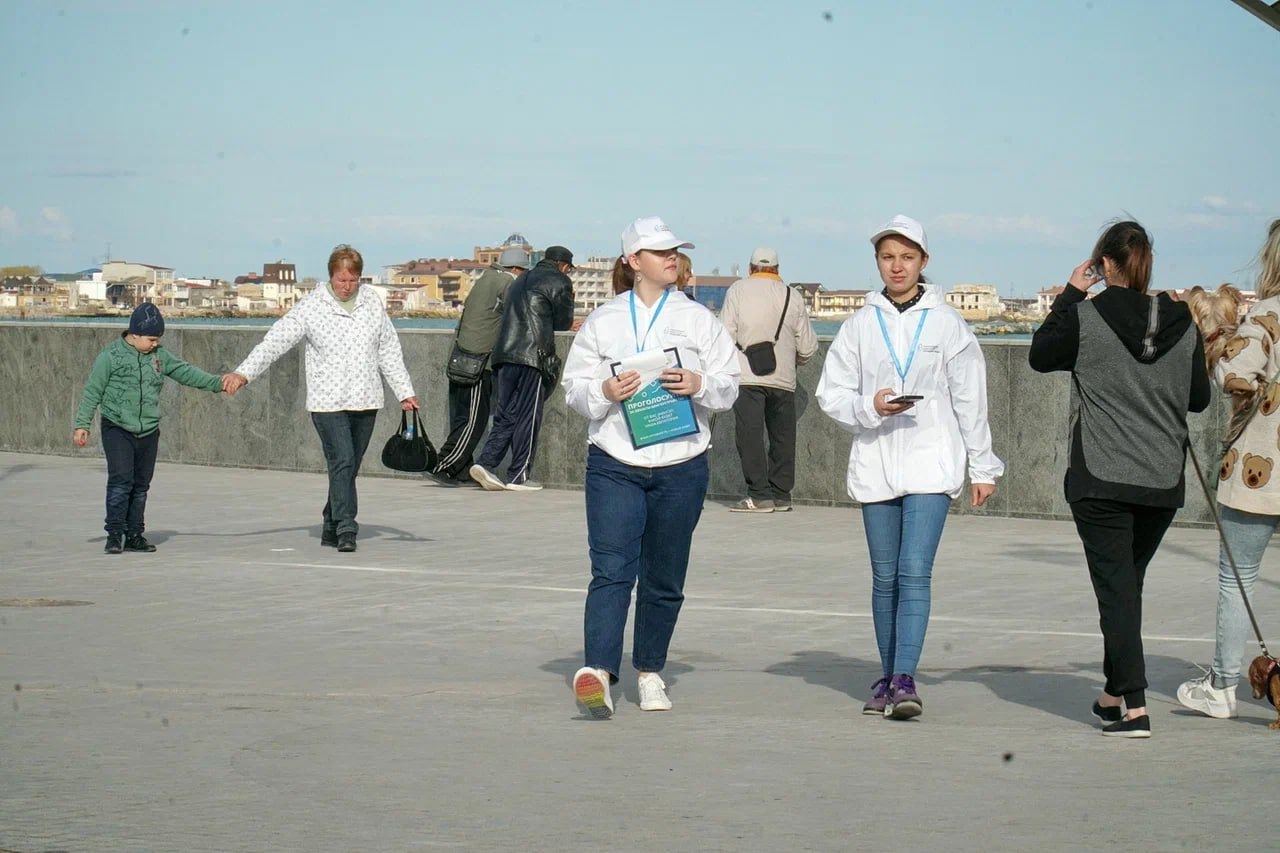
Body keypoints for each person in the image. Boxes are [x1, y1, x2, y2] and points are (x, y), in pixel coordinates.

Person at [816, 214, 1003, 721]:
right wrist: (870, 406)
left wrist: (983, 467)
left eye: (906, 257)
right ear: (877, 261)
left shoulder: (947, 324)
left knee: (914, 572)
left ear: (924, 261)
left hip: (931, 459)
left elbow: (971, 399)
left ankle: (904, 678)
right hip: (876, 460)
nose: (896, 266)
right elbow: (830, 393)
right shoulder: (859, 324)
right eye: (887, 257)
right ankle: (887, 675)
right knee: (884, 578)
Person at [1029, 219, 1210, 738]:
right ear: (1146, 265)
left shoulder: (1087, 317)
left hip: (1102, 477)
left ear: (1105, 264)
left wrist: (1071, 291)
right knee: (1126, 587)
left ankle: (1135, 707)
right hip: (1160, 479)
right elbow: (1198, 399)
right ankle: (1112, 694)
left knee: (1117, 592)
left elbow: (1041, 355)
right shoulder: (1182, 322)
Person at [561, 216, 740, 718]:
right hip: (615, 460)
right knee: (611, 569)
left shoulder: (700, 319)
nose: (672, 259)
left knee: (664, 576)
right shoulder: (604, 321)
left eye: (676, 252)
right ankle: (597, 671)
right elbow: (573, 388)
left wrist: (699, 384)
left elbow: (731, 383)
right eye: (660, 252)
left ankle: (650, 673)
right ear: (633, 261)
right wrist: (604, 390)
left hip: (682, 464)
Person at [224, 245, 419, 553]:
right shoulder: (312, 306)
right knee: (341, 460)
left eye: (353, 280)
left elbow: (388, 350)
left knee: (349, 466)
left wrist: (404, 392)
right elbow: (275, 341)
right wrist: (243, 374)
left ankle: (330, 521)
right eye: (341, 280)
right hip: (328, 403)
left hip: (366, 399)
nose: (347, 286)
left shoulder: (371, 302)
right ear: (331, 277)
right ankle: (346, 527)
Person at [1178, 219, 1280, 720]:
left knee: (1237, 577)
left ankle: (1221, 687)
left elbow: (1237, 375)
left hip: (1259, 472)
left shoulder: (1265, 315)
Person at [73, 303, 232, 554]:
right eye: (151, 339)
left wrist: (218, 384)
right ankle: (115, 535)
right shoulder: (110, 356)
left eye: (158, 339)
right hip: (117, 426)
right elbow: (93, 390)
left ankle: (135, 534)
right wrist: (82, 424)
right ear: (134, 334)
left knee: (140, 484)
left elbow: (185, 372)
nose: (155, 344)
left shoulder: (160, 356)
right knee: (120, 481)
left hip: (148, 430)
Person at [469, 245, 576, 492]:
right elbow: (562, 321)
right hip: (532, 356)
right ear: (563, 266)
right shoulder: (559, 280)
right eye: (569, 268)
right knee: (529, 414)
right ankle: (518, 475)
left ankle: (486, 463)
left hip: (504, 354)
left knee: (506, 413)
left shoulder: (520, 279)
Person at [720, 247, 818, 512]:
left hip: (747, 376)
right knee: (783, 437)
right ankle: (781, 495)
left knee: (749, 436)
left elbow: (724, 336)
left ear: (751, 268)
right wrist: (792, 360)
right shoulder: (792, 295)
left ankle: (759, 495)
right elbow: (808, 347)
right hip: (784, 378)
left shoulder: (738, 290)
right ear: (777, 269)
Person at [432, 246, 530, 483]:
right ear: (517, 269)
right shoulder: (508, 284)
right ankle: (444, 465)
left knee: (461, 417)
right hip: (478, 361)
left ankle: (461, 468)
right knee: (474, 420)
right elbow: (520, 316)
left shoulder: (486, 278)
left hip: (461, 356)